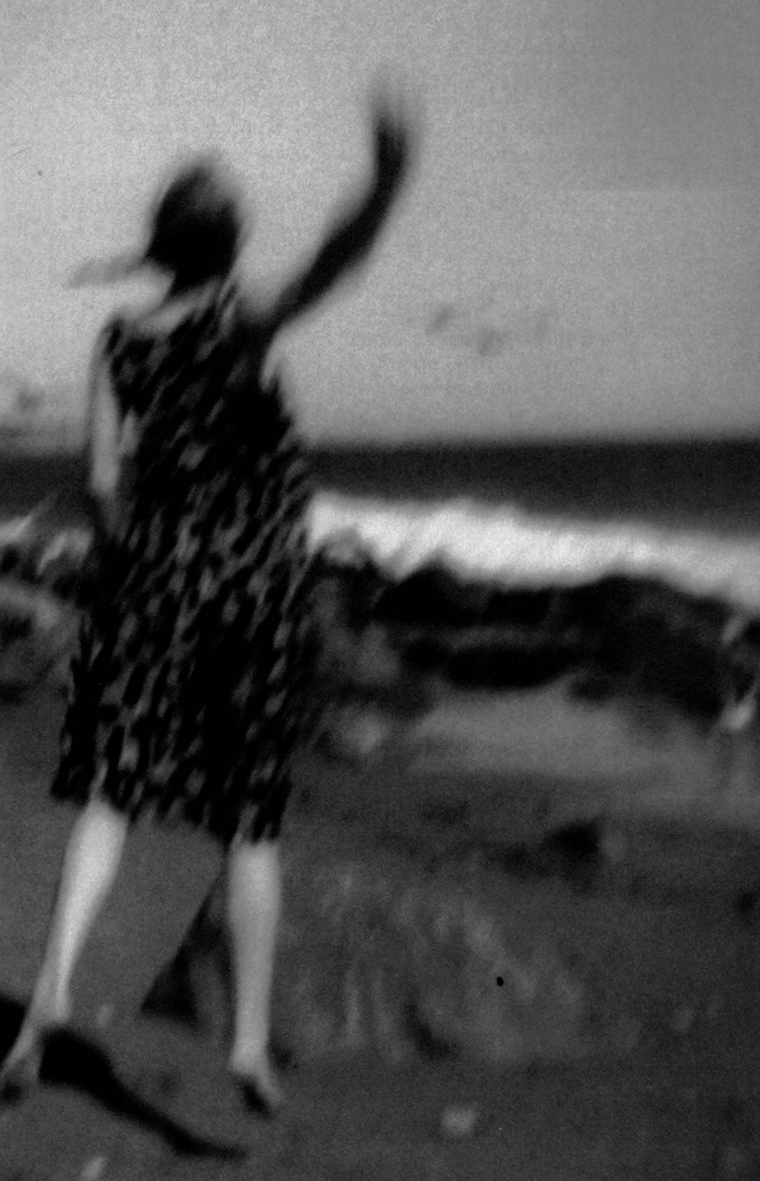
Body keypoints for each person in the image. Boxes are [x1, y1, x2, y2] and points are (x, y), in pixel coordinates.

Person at [0, 84, 417, 1116]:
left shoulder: (118, 339)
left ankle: (47, 992)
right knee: (249, 825)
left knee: (109, 795)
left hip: (154, 578)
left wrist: (134, 569)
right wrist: (387, 182)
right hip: (252, 586)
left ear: (160, 244)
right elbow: (333, 260)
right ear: (231, 246)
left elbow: (103, 483)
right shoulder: (245, 319)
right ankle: (245, 1041)